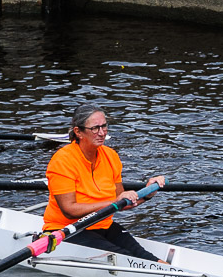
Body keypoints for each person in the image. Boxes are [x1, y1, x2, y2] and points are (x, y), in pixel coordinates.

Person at [43, 105, 167, 262]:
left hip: (102, 225)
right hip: (66, 230)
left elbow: (122, 202)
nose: (102, 133)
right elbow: (70, 210)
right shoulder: (62, 161)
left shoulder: (111, 156)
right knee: (127, 258)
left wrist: (148, 193)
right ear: (78, 132)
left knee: (146, 257)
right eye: (95, 128)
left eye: (104, 126)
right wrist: (114, 202)